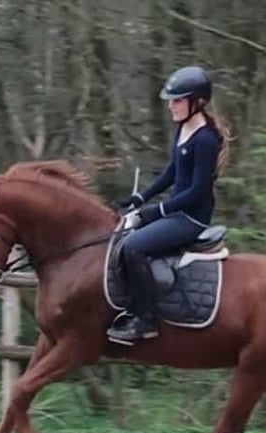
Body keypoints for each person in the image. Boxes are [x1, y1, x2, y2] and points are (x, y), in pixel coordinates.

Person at [107, 65, 231, 344]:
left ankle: (145, 320)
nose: (171, 107)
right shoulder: (182, 129)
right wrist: (141, 198)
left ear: (197, 102)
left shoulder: (206, 140)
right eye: (171, 101)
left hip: (191, 218)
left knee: (134, 247)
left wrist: (157, 211)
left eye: (177, 100)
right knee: (123, 235)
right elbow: (172, 174)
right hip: (177, 210)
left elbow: (197, 192)